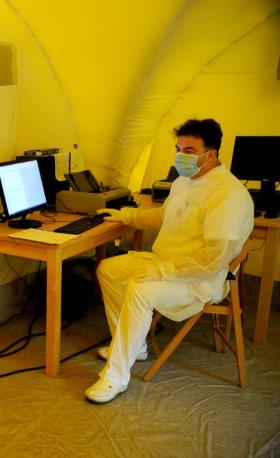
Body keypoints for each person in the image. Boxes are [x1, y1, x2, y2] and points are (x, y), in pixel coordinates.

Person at [84, 118, 254, 404]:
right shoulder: (185, 181)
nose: (180, 156)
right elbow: (164, 216)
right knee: (108, 269)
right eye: (178, 149)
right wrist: (125, 216)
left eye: (189, 151)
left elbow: (214, 259)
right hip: (168, 264)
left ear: (210, 155)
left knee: (139, 290)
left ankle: (115, 377)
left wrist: (162, 271)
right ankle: (135, 347)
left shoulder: (227, 195)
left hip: (201, 279)